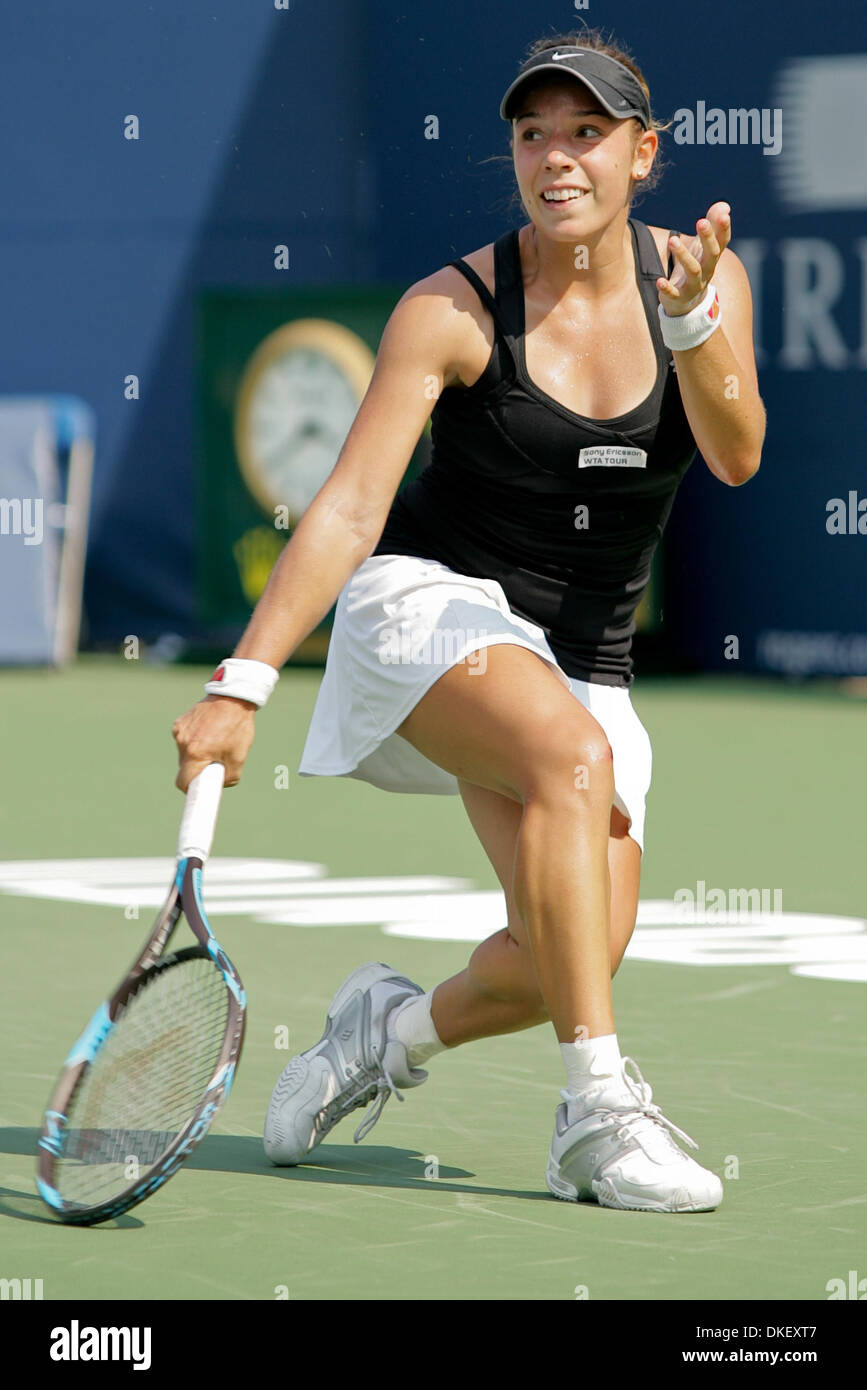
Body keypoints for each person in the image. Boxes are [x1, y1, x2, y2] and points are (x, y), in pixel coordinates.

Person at [172, 30, 765, 1213]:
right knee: (572, 758)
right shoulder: (450, 307)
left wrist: (696, 330)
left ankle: (379, 1034)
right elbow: (348, 505)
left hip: (585, 655)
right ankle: (596, 1117)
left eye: (587, 134)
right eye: (534, 133)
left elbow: (738, 456)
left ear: (641, 154)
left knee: (568, 956)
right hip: (431, 611)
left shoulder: (701, 281)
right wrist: (242, 679)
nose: (557, 158)